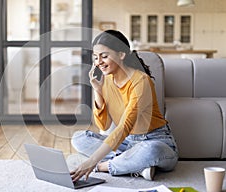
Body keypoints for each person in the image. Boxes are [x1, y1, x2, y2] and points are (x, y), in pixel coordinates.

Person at [70, 30, 178, 182]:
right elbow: (104, 124)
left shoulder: (141, 81)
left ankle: (105, 166)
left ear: (121, 55)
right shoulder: (107, 79)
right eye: (95, 57)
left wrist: (92, 162)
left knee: (151, 151)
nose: (98, 62)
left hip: (156, 140)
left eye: (104, 56)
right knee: (79, 138)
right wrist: (98, 91)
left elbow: (124, 126)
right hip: (128, 143)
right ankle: (136, 166)